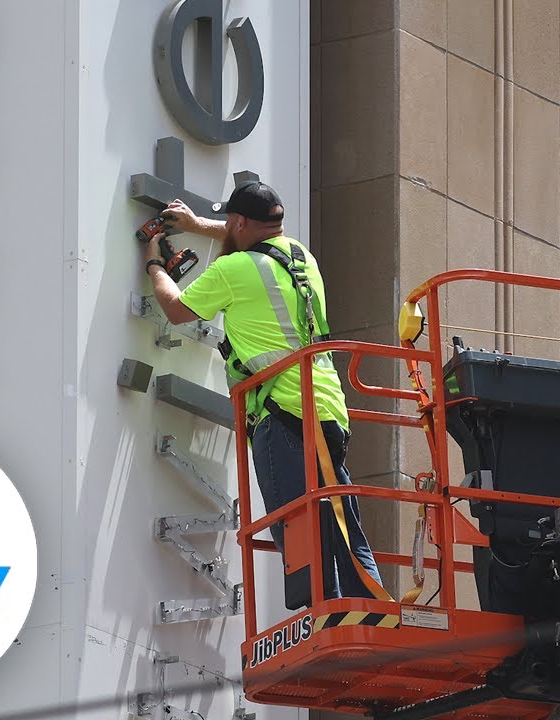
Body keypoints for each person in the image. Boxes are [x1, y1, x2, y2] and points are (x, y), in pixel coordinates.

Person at [144, 181, 390, 610]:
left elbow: (177, 309)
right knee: (341, 522)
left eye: (230, 220)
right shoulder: (301, 256)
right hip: (327, 407)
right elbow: (250, 239)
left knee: (298, 529)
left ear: (239, 221)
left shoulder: (233, 269)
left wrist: (154, 266)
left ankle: (325, 618)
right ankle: (370, 612)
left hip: (280, 411)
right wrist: (198, 225)